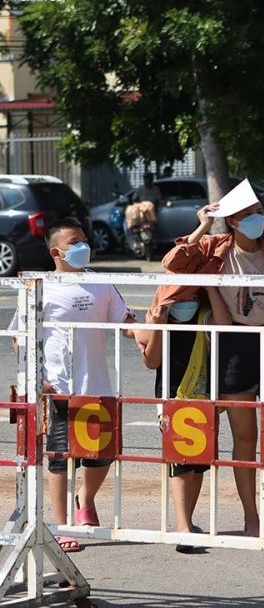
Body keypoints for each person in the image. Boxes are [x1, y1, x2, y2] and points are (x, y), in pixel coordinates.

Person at [159, 180, 264, 537]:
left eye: (260, 212)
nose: (258, 219)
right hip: (234, 345)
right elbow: (173, 262)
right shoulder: (213, 248)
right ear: (234, 222)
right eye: (249, 214)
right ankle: (251, 514)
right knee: (244, 437)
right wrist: (203, 225)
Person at [9, 218, 134, 553]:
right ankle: (63, 526)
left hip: (96, 384)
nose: (83, 246)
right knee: (59, 458)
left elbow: (125, 322)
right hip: (58, 389)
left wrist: (150, 330)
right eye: (75, 241)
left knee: (100, 457)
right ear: (56, 251)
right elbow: (20, 338)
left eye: (84, 239)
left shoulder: (102, 283)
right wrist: (38, 378)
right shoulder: (42, 287)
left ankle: (85, 500)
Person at [134, 287, 229, 552]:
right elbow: (151, 362)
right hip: (170, 397)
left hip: (203, 397)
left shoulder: (204, 315)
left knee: (198, 463)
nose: (185, 303)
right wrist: (158, 325)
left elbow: (225, 325)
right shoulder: (159, 320)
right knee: (180, 463)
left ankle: (188, 518)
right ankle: (183, 527)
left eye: (190, 297)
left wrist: (210, 287)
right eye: (179, 297)